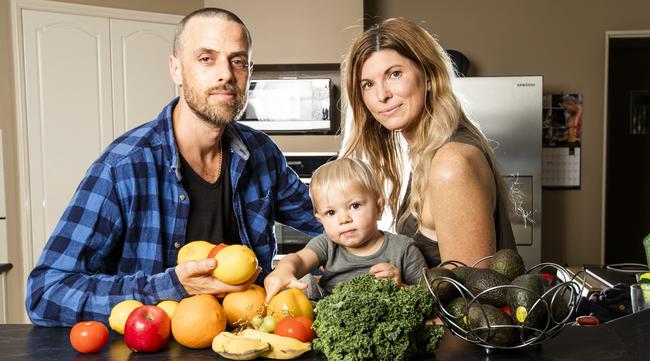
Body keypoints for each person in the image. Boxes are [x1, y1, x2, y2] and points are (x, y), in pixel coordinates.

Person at [25, 8, 322, 327]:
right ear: (176, 69)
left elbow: (333, 223)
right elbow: (45, 293)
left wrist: (300, 263)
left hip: (249, 341)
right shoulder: (124, 166)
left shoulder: (261, 153)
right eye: (206, 58)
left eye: (236, 61)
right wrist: (169, 287)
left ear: (249, 71)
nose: (225, 74)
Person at [340, 18, 516, 268]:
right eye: (368, 85)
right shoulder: (428, 153)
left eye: (395, 74)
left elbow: (472, 290)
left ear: (429, 76)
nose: (382, 95)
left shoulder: (451, 164)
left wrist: (399, 289)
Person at [264, 158, 426, 302]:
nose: (344, 219)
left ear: (379, 208)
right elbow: (299, 259)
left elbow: (429, 299)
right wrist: (283, 271)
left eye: (355, 206)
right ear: (320, 220)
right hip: (335, 327)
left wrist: (401, 287)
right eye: (331, 212)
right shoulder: (326, 244)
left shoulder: (404, 249)